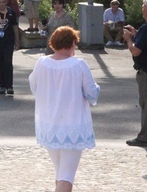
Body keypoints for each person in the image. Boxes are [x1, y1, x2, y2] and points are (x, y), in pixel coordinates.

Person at [29, 26, 99, 192]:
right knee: (67, 175)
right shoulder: (79, 65)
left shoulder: (42, 63)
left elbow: (34, 87)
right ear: (72, 43)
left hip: (48, 124)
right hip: (72, 125)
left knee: (60, 172)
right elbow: (92, 94)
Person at [123, 0, 147, 147]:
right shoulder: (143, 30)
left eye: (143, 6)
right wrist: (136, 34)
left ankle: (144, 136)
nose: (141, 8)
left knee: (145, 105)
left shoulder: (146, 28)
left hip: (145, 72)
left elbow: (136, 51)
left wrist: (128, 39)